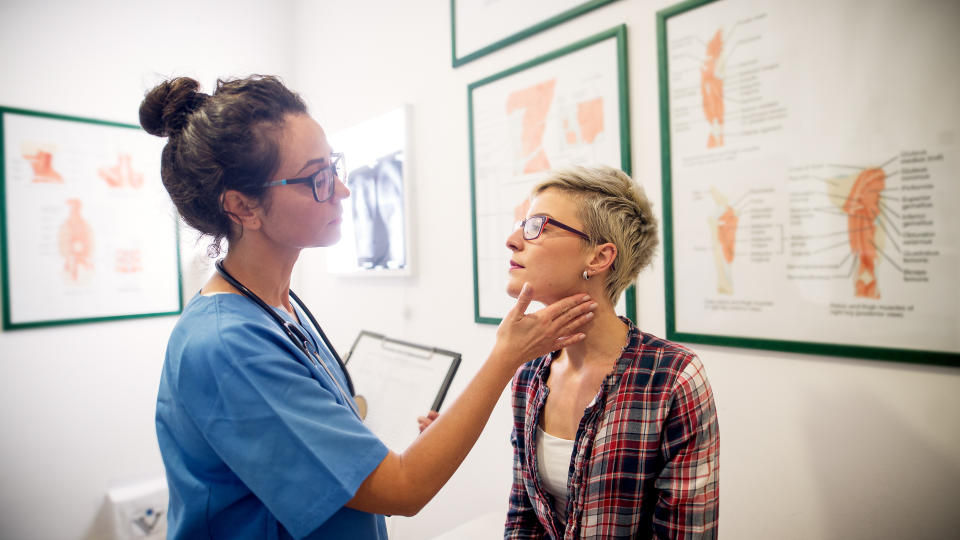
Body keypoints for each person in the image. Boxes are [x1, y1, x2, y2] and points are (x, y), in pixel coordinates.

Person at [140, 75, 597, 539]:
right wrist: (506, 355)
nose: (342, 190)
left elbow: (341, 455)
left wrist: (414, 448)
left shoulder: (277, 307)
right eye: (317, 178)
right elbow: (401, 491)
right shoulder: (226, 346)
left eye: (334, 166)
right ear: (243, 207)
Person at [503, 166, 720, 539]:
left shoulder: (672, 378)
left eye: (537, 225)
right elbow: (523, 517)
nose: (512, 240)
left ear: (599, 258)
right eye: (521, 224)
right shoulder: (528, 374)